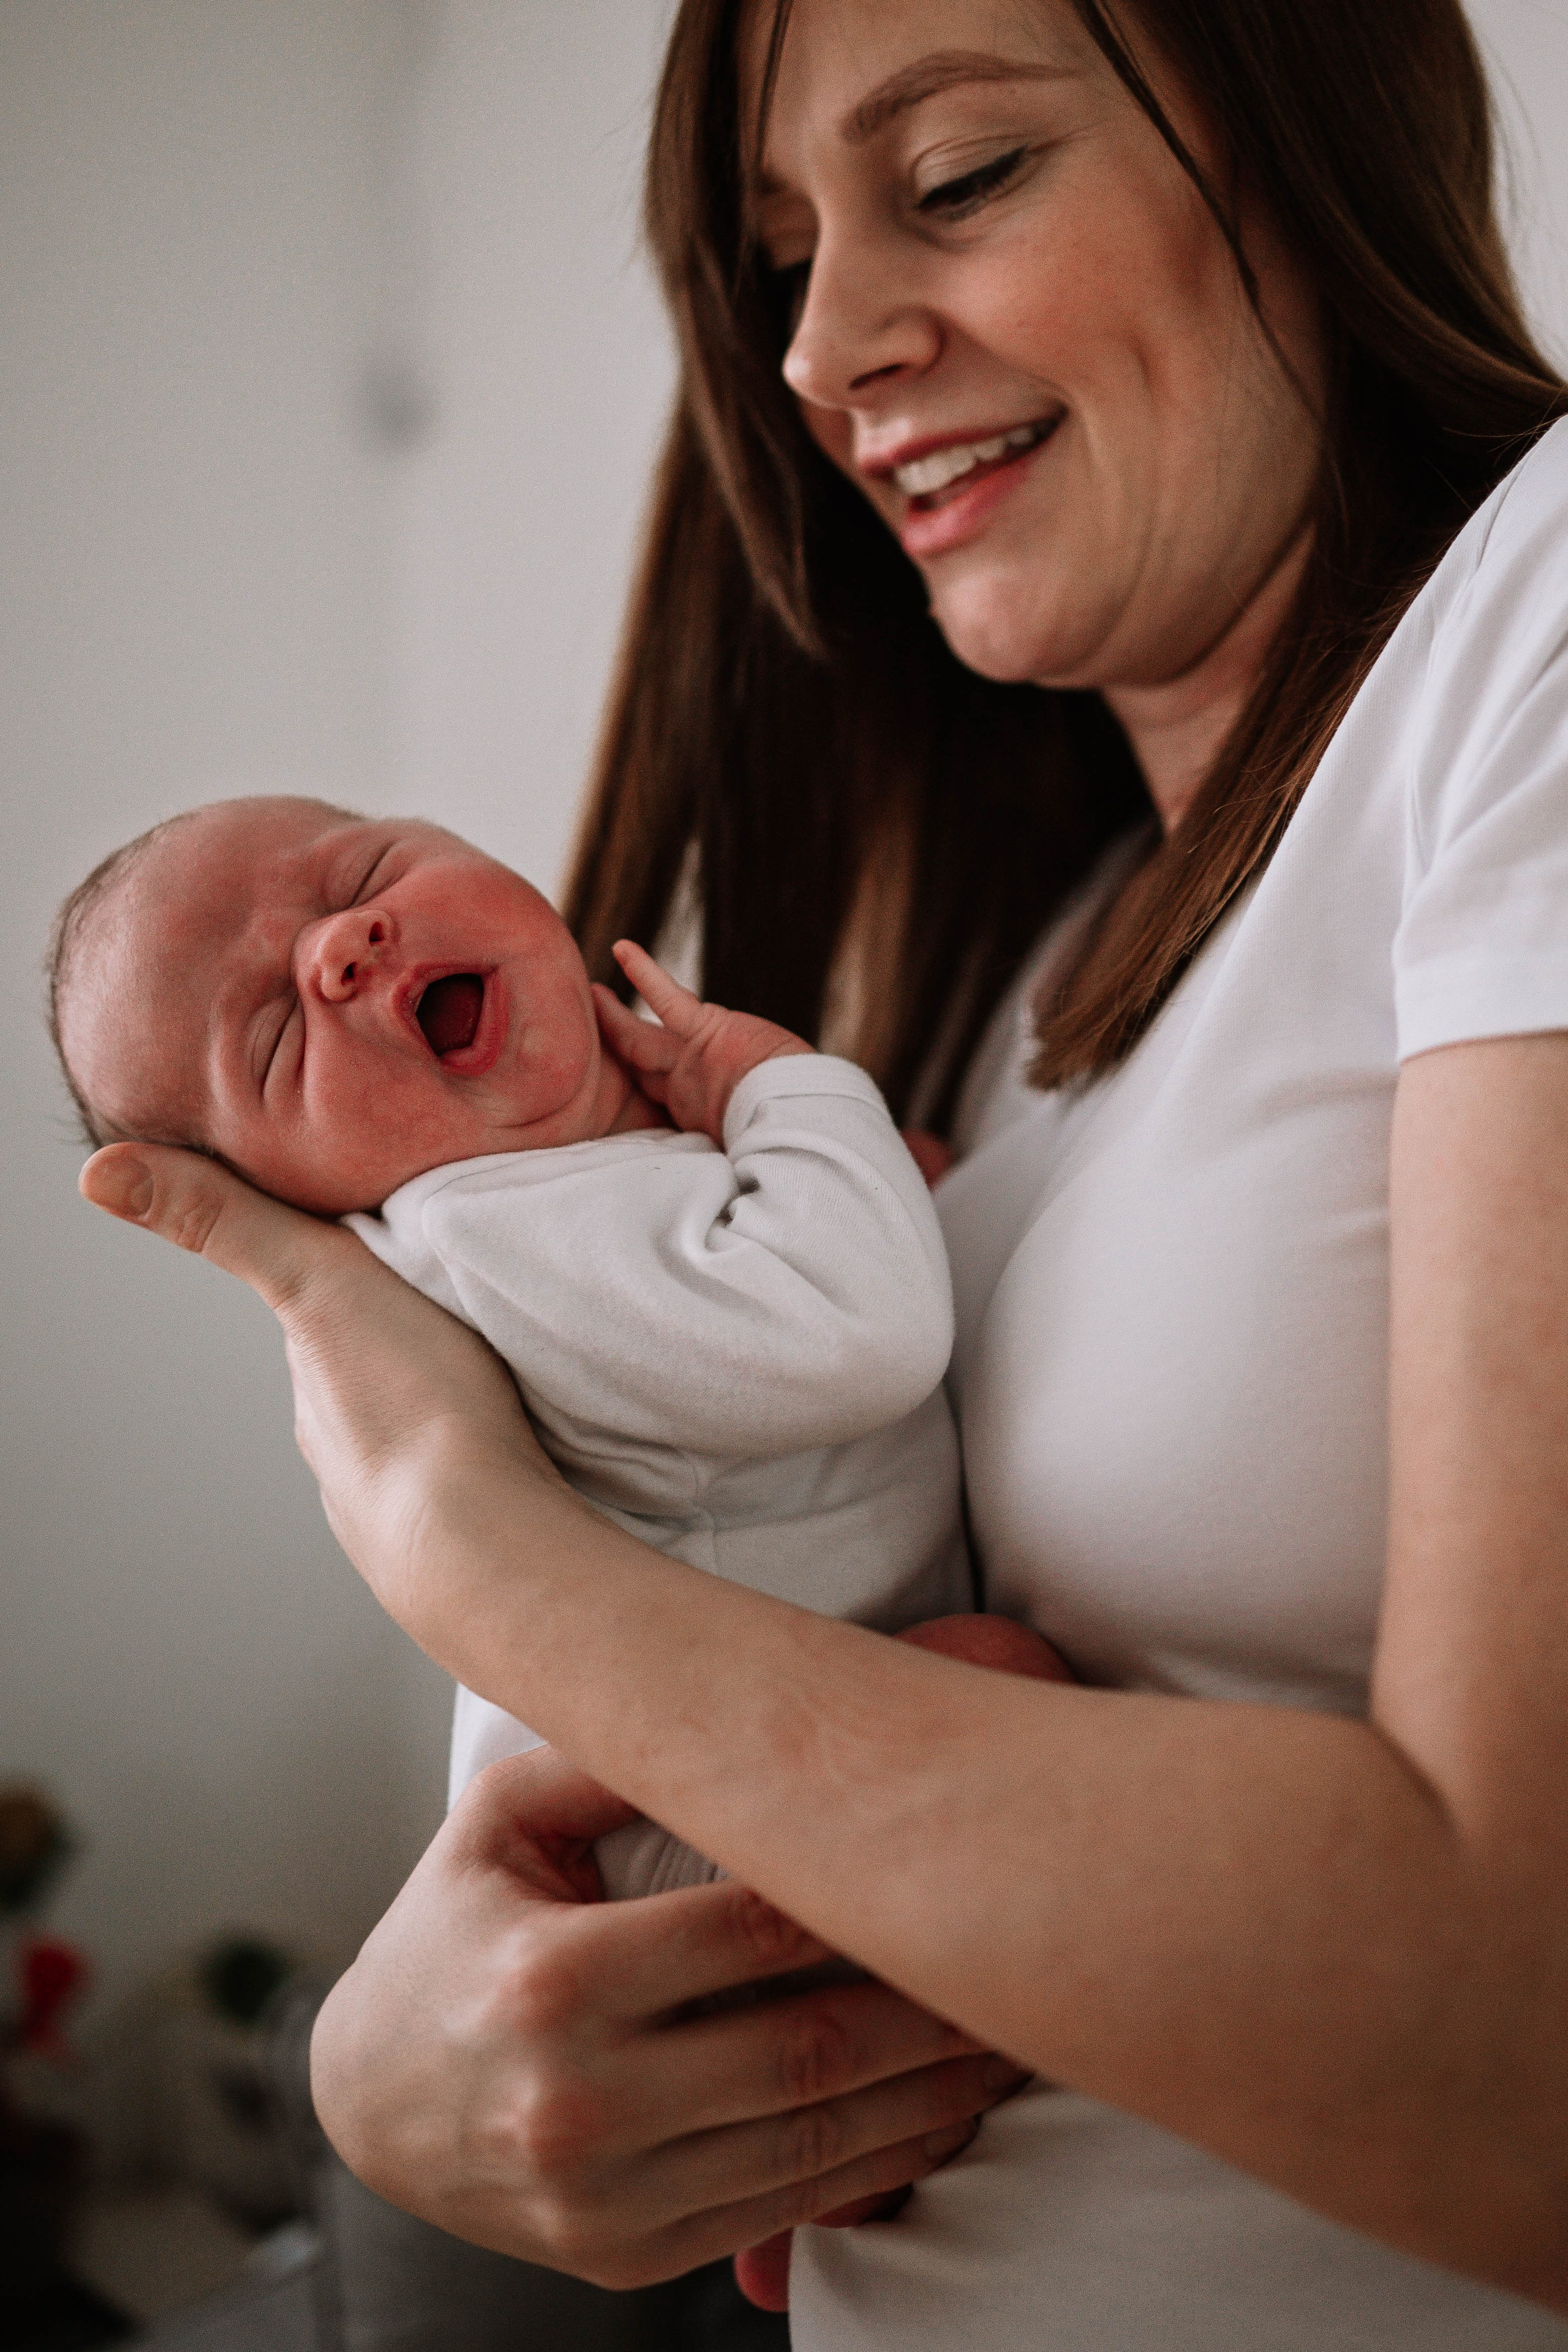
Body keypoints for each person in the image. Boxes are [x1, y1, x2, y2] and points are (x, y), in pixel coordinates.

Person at [72, 0, 1568, 2342]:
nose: (818, 349)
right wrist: (388, 2069)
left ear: (1310, 133)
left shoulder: (1538, 628)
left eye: (958, 173)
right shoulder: (1027, 970)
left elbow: (1529, 2051)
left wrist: (470, 1551)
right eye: (774, 254)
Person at [49, 794, 1037, 1896]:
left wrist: (854, 1179)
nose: (340, 946)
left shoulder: (585, 1182)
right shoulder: (486, 1230)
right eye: (276, 1041)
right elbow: (868, 1336)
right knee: (1000, 1680)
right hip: (689, 1834)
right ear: (296, 1204)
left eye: (364, 874)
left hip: (756, 1758)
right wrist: (790, 1098)